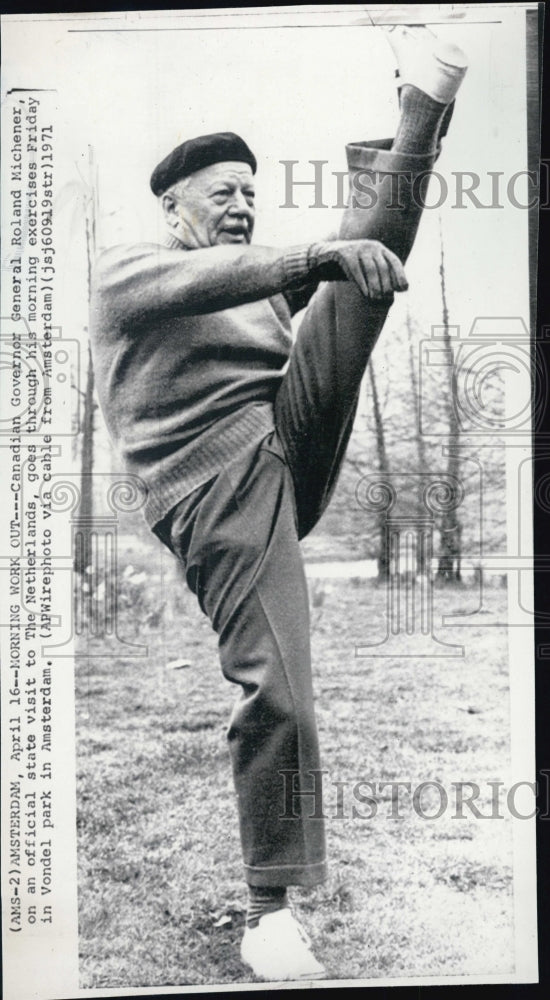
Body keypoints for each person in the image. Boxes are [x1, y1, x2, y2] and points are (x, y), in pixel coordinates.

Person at [90, 24, 468, 983]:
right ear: (173, 204)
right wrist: (317, 259)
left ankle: (423, 107)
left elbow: (308, 273)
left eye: (252, 195)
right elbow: (237, 274)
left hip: (285, 443)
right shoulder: (129, 273)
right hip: (213, 486)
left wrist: (339, 260)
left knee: (358, 277)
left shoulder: (264, 289)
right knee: (279, 688)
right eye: (224, 194)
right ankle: (268, 914)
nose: (242, 208)